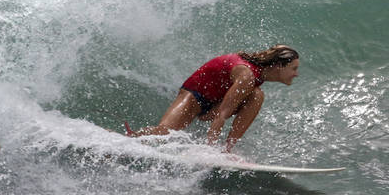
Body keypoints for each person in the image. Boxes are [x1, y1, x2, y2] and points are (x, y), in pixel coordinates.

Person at [124, 45, 300, 152]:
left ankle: (228, 149)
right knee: (164, 133)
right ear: (278, 66)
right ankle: (126, 140)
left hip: (215, 102)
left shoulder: (256, 78)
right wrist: (210, 151)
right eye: (293, 68)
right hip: (194, 96)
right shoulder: (247, 76)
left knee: (257, 96)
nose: (296, 74)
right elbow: (221, 116)